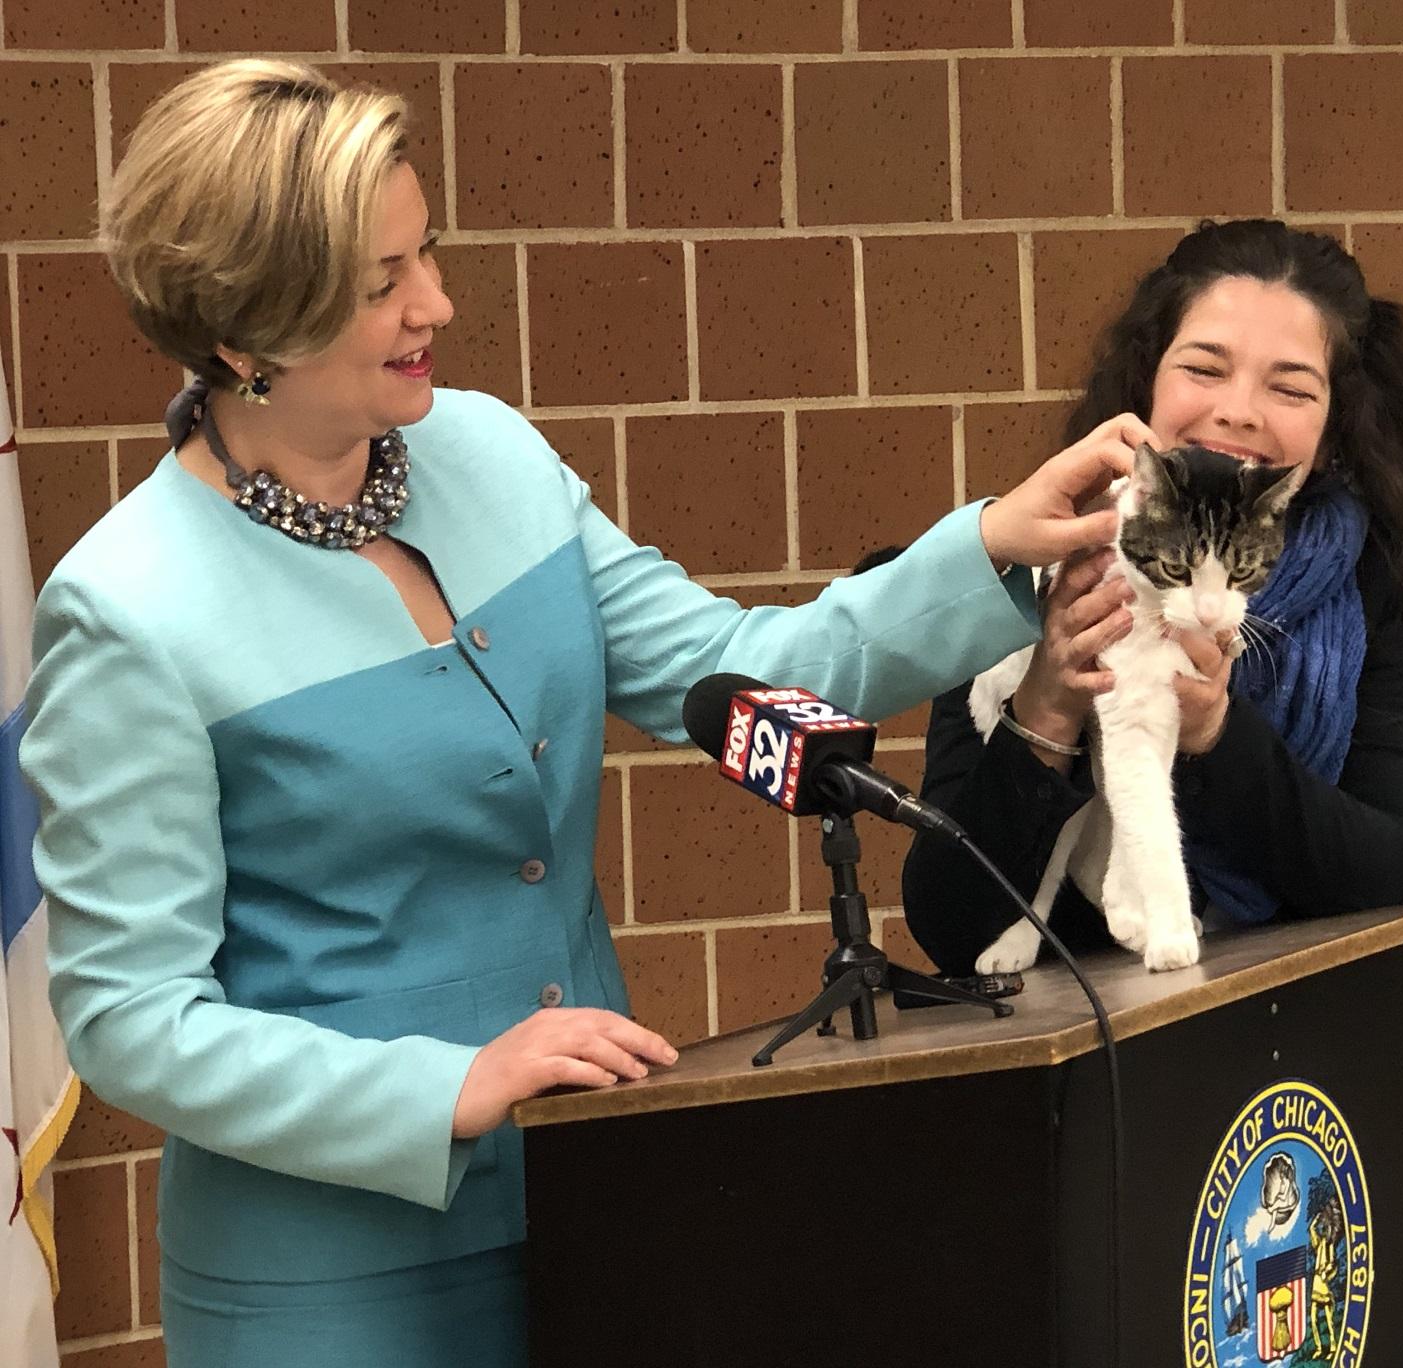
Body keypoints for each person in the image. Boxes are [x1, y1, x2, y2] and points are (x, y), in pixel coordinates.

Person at [18, 60, 1142, 1368]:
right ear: (242, 331)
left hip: (600, 1201)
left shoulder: (491, 456)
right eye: (379, 286)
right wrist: (445, 1090)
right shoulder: (128, 607)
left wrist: (992, 547)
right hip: (327, 1285)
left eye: (423, 254)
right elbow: (132, 1018)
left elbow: (737, 666)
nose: (433, 303)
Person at [900, 218, 1403, 1361]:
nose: (1241, 409)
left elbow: (1396, 876)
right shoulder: (1026, 581)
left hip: (1357, 1152)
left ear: (1334, 428)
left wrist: (1214, 733)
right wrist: (1050, 703)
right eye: (1204, 368)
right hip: (1118, 1166)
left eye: (1289, 385)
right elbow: (954, 922)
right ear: (1144, 392)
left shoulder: (1390, 592)